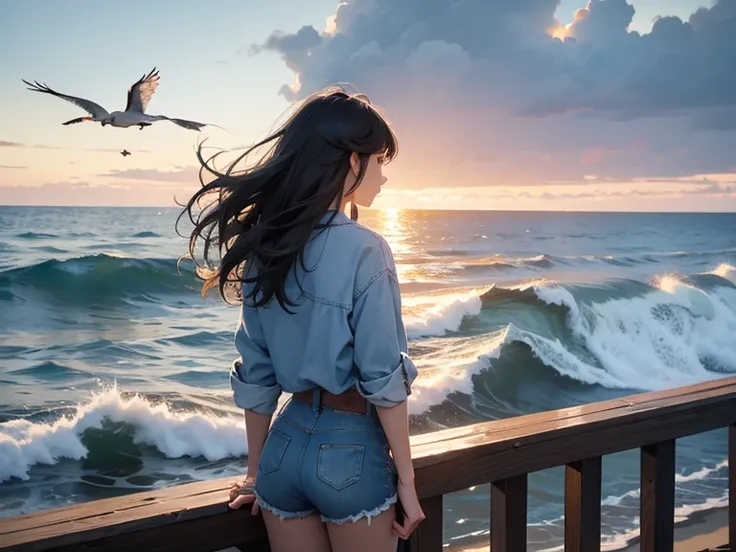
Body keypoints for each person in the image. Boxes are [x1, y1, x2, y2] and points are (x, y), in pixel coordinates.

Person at [179, 87, 425, 552]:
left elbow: (257, 374)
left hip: (282, 452)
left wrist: (254, 473)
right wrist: (407, 482)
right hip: (349, 451)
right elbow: (383, 379)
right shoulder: (367, 249)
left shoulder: (266, 246)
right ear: (352, 162)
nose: (384, 176)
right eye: (379, 161)